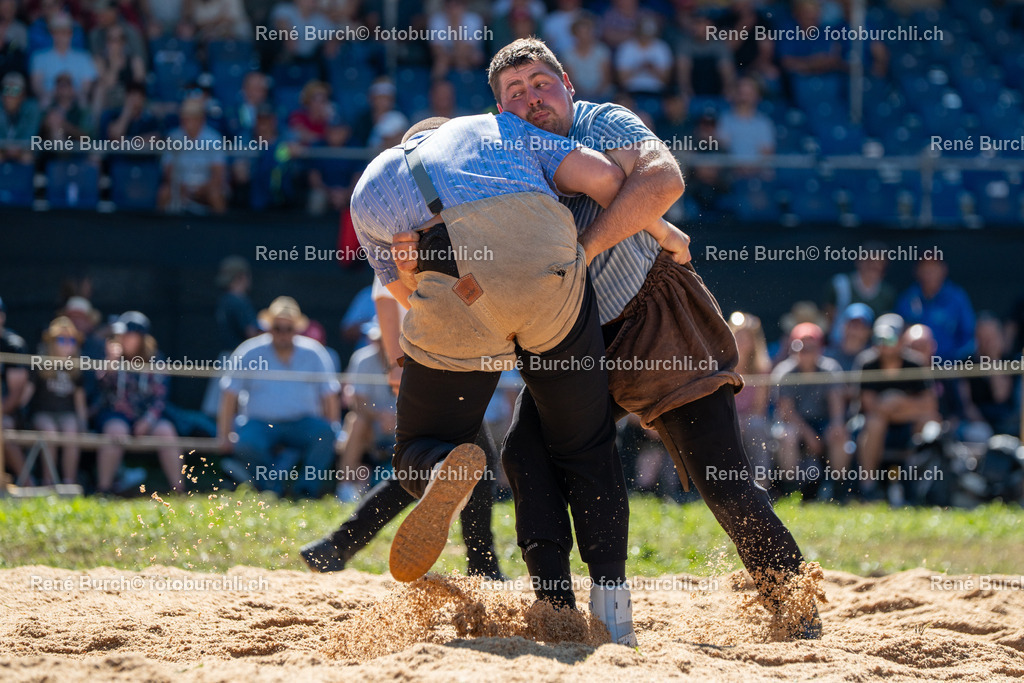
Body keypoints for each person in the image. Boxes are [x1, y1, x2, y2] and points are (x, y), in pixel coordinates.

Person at [488, 37, 821, 638]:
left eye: (541, 83)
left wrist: (583, 250)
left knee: (723, 482)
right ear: (500, 110)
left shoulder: (603, 120)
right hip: (575, 337)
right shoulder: (504, 155)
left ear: (567, 83)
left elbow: (664, 180)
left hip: (656, 320)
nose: (532, 99)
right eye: (516, 92)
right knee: (523, 453)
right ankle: (556, 611)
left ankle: (794, 606)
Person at [350, 112, 687, 646]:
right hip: (545, 279)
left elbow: (400, 293)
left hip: (450, 290)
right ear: (448, 130)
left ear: (406, 142)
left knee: (419, 442)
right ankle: (614, 610)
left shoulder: (370, 185)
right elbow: (606, 181)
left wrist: (475, 315)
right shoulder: (500, 129)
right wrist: (666, 232)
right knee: (586, 445)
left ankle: (442, 466)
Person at [301, 278, 504, 580]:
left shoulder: (423, 239)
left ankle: (336, 546)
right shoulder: (411, 234)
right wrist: (398, 362)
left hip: (436, 358)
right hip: (437, 359)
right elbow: (384, 297)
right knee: (472, 464)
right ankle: (483, 566)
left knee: (421, 470)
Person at [218, 296, 340, 498]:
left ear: (297, 329)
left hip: (303, 424)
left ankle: (306, 492)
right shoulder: (248, 351)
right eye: (278, 328)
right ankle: (271, 488)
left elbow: (330, 396)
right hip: (259, 424)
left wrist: (334, 430)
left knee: (326, 434)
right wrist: (224, 435)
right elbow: (229, 394)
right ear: (269, 327)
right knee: (246, 442)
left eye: (288, 328)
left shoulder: (315, 352)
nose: (283, 333)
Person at [92, 311, 184, 494]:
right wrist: (111, 362)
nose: (123, 339)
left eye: (129, 335)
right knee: (116, 431)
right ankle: (103, 490)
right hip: (116, 415)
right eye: (122, 335)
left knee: (166, 432)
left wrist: (147, 421)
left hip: (146, 417)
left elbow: (160, 398)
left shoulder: (156, 359)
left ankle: (179, 491)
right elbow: (101, 386)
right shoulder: (112, 357)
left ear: (140, 338)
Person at [854, 314, 940, 501]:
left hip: (907, 424)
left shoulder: (915, 363)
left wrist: (897, 402)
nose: (884, 344)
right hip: (876, 425)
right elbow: (870, 407)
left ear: (901, 340)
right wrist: (900, 408)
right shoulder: (867, 363)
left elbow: (930, 405)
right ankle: (868, 487)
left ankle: (917, 487)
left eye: (889, 338)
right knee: (875, 423)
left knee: (927, 423)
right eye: (879, 338)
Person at [771, 322, 849, 487]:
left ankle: (838, 488)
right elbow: (787, 413)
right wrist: (810, 436)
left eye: (810, 348)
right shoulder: (784, 372)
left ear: (820, 348)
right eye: (800, 347)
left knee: (839, 434)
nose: (804, 352)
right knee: (788, 436)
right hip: (795, 425)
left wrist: (836, 426)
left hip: (822, 422)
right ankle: (790, 488)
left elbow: (837, 409)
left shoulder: (830, 369)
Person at [29, 316, 87, 485]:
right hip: (43, 413)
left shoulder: (76, 367)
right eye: (61, 339)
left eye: (71, 340)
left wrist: (83, 425)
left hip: (66, 414)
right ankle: (49, 482)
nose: (67, 344)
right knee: (50, 432)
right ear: (51, 341)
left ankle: (69, 482)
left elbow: (80, 401)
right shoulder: (41, 363)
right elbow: (26, 394)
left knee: (71, 431)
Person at [895, 256, 976, 362]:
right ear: (917, 271)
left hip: (951, 367)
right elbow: (897, 337)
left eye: (934, 268)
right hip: (914, 368)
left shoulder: (957, 298)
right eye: (925, 268)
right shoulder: (907, 299)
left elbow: (968, 336)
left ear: (943, 270)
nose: (929, 273)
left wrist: (953, 362)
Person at [157, 96, 228, 213]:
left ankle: (222, 229)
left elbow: (218, 173)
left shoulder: (213, 138)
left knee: (215, 194)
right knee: (164, 192)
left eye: (192, 118)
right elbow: (168, 169)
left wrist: (202, 188)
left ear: (201, 119)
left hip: (205, 187)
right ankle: (160, 229)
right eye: (185, 118)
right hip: (180, 186)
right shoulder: (174, 137)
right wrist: (180, 187)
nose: (187, 122)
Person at [822, 242, 896, 343]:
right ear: (859, 261)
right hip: (838, 344)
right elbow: (829, 315)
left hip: (870, 347)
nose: (874, 266)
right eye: (869, 261)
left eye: (879, 263)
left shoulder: (887, 293)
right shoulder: (839, 284)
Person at [728, 311, 772, 481]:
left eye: (746, 338)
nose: (741, 342)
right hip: (727, 420)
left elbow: (758, 409)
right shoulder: (721, 368)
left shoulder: (762, 369)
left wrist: (743, 421)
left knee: (756, 427)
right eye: (738, 337)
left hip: (751, 421)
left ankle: (761, 482)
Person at [1, 295, 29, 483]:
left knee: (3, 426)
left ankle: (27, 482)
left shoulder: (12, 345)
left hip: (9, 413)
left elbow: (15, 396)